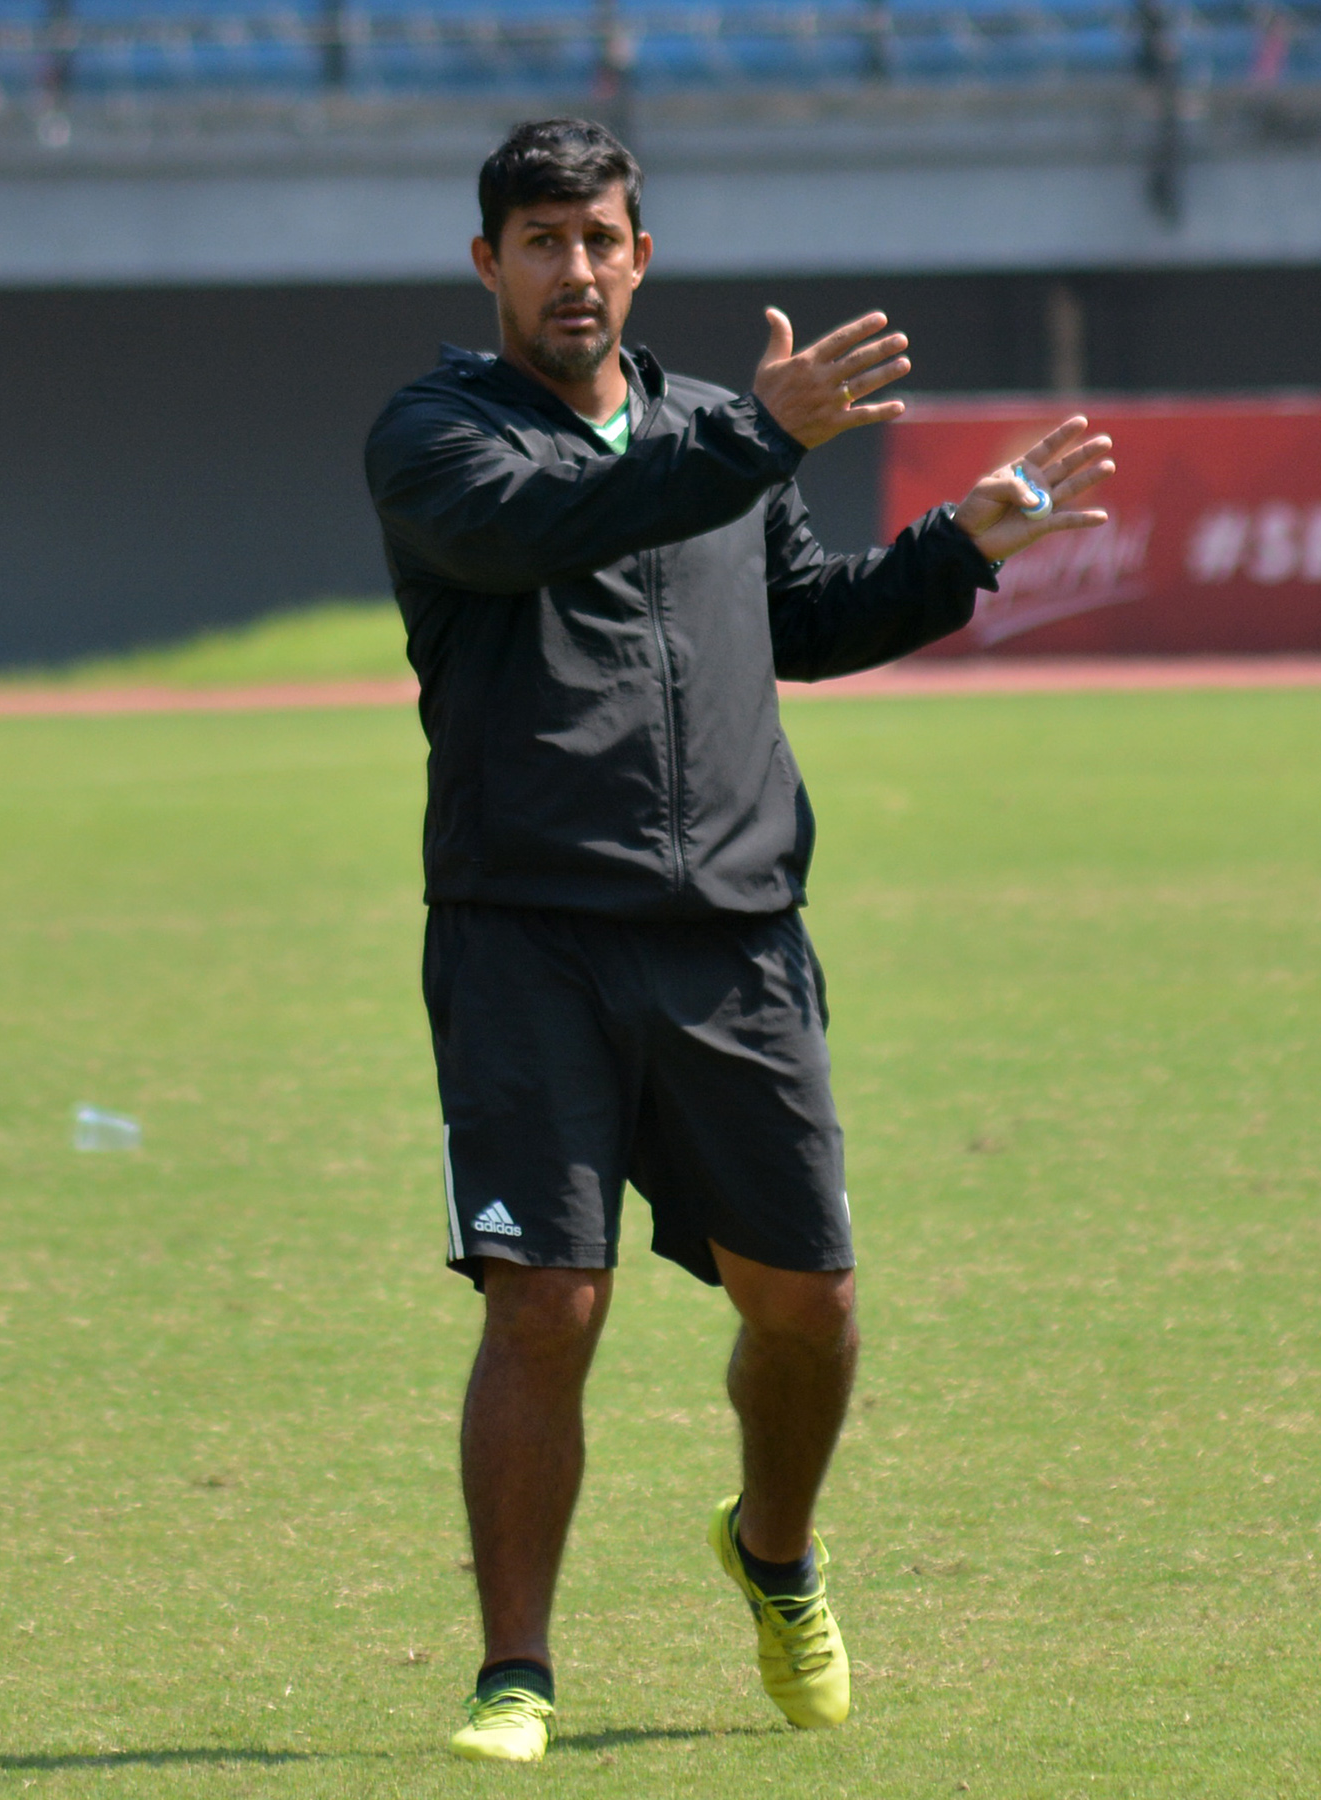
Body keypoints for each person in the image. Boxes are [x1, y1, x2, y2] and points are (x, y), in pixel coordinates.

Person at [362, 118, 1115, 1765]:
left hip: (734, 942)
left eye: (602, 238)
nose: (576, 268)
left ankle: (773, 1552)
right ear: (486, 262)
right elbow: (537, 535)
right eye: (542, 240)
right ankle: (517, 1676)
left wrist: (958, 549)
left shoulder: (716, 428)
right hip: (524, 939)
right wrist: (758, 443)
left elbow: (805, 623)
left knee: (811, 1310)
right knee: (543, 1306)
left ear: (644, 257)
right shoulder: (437, 436)